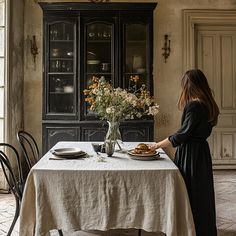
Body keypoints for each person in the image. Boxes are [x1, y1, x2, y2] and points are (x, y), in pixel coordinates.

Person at [149, 69, 219, 236]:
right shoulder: (208, 104)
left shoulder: (194, 105)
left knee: (189, 192)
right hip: (201, 153)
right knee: (201, 193)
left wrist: (157, 145)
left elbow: (182, 135)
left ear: (189, 85)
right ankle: (204, 229)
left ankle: (189, 229)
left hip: (191, 154)